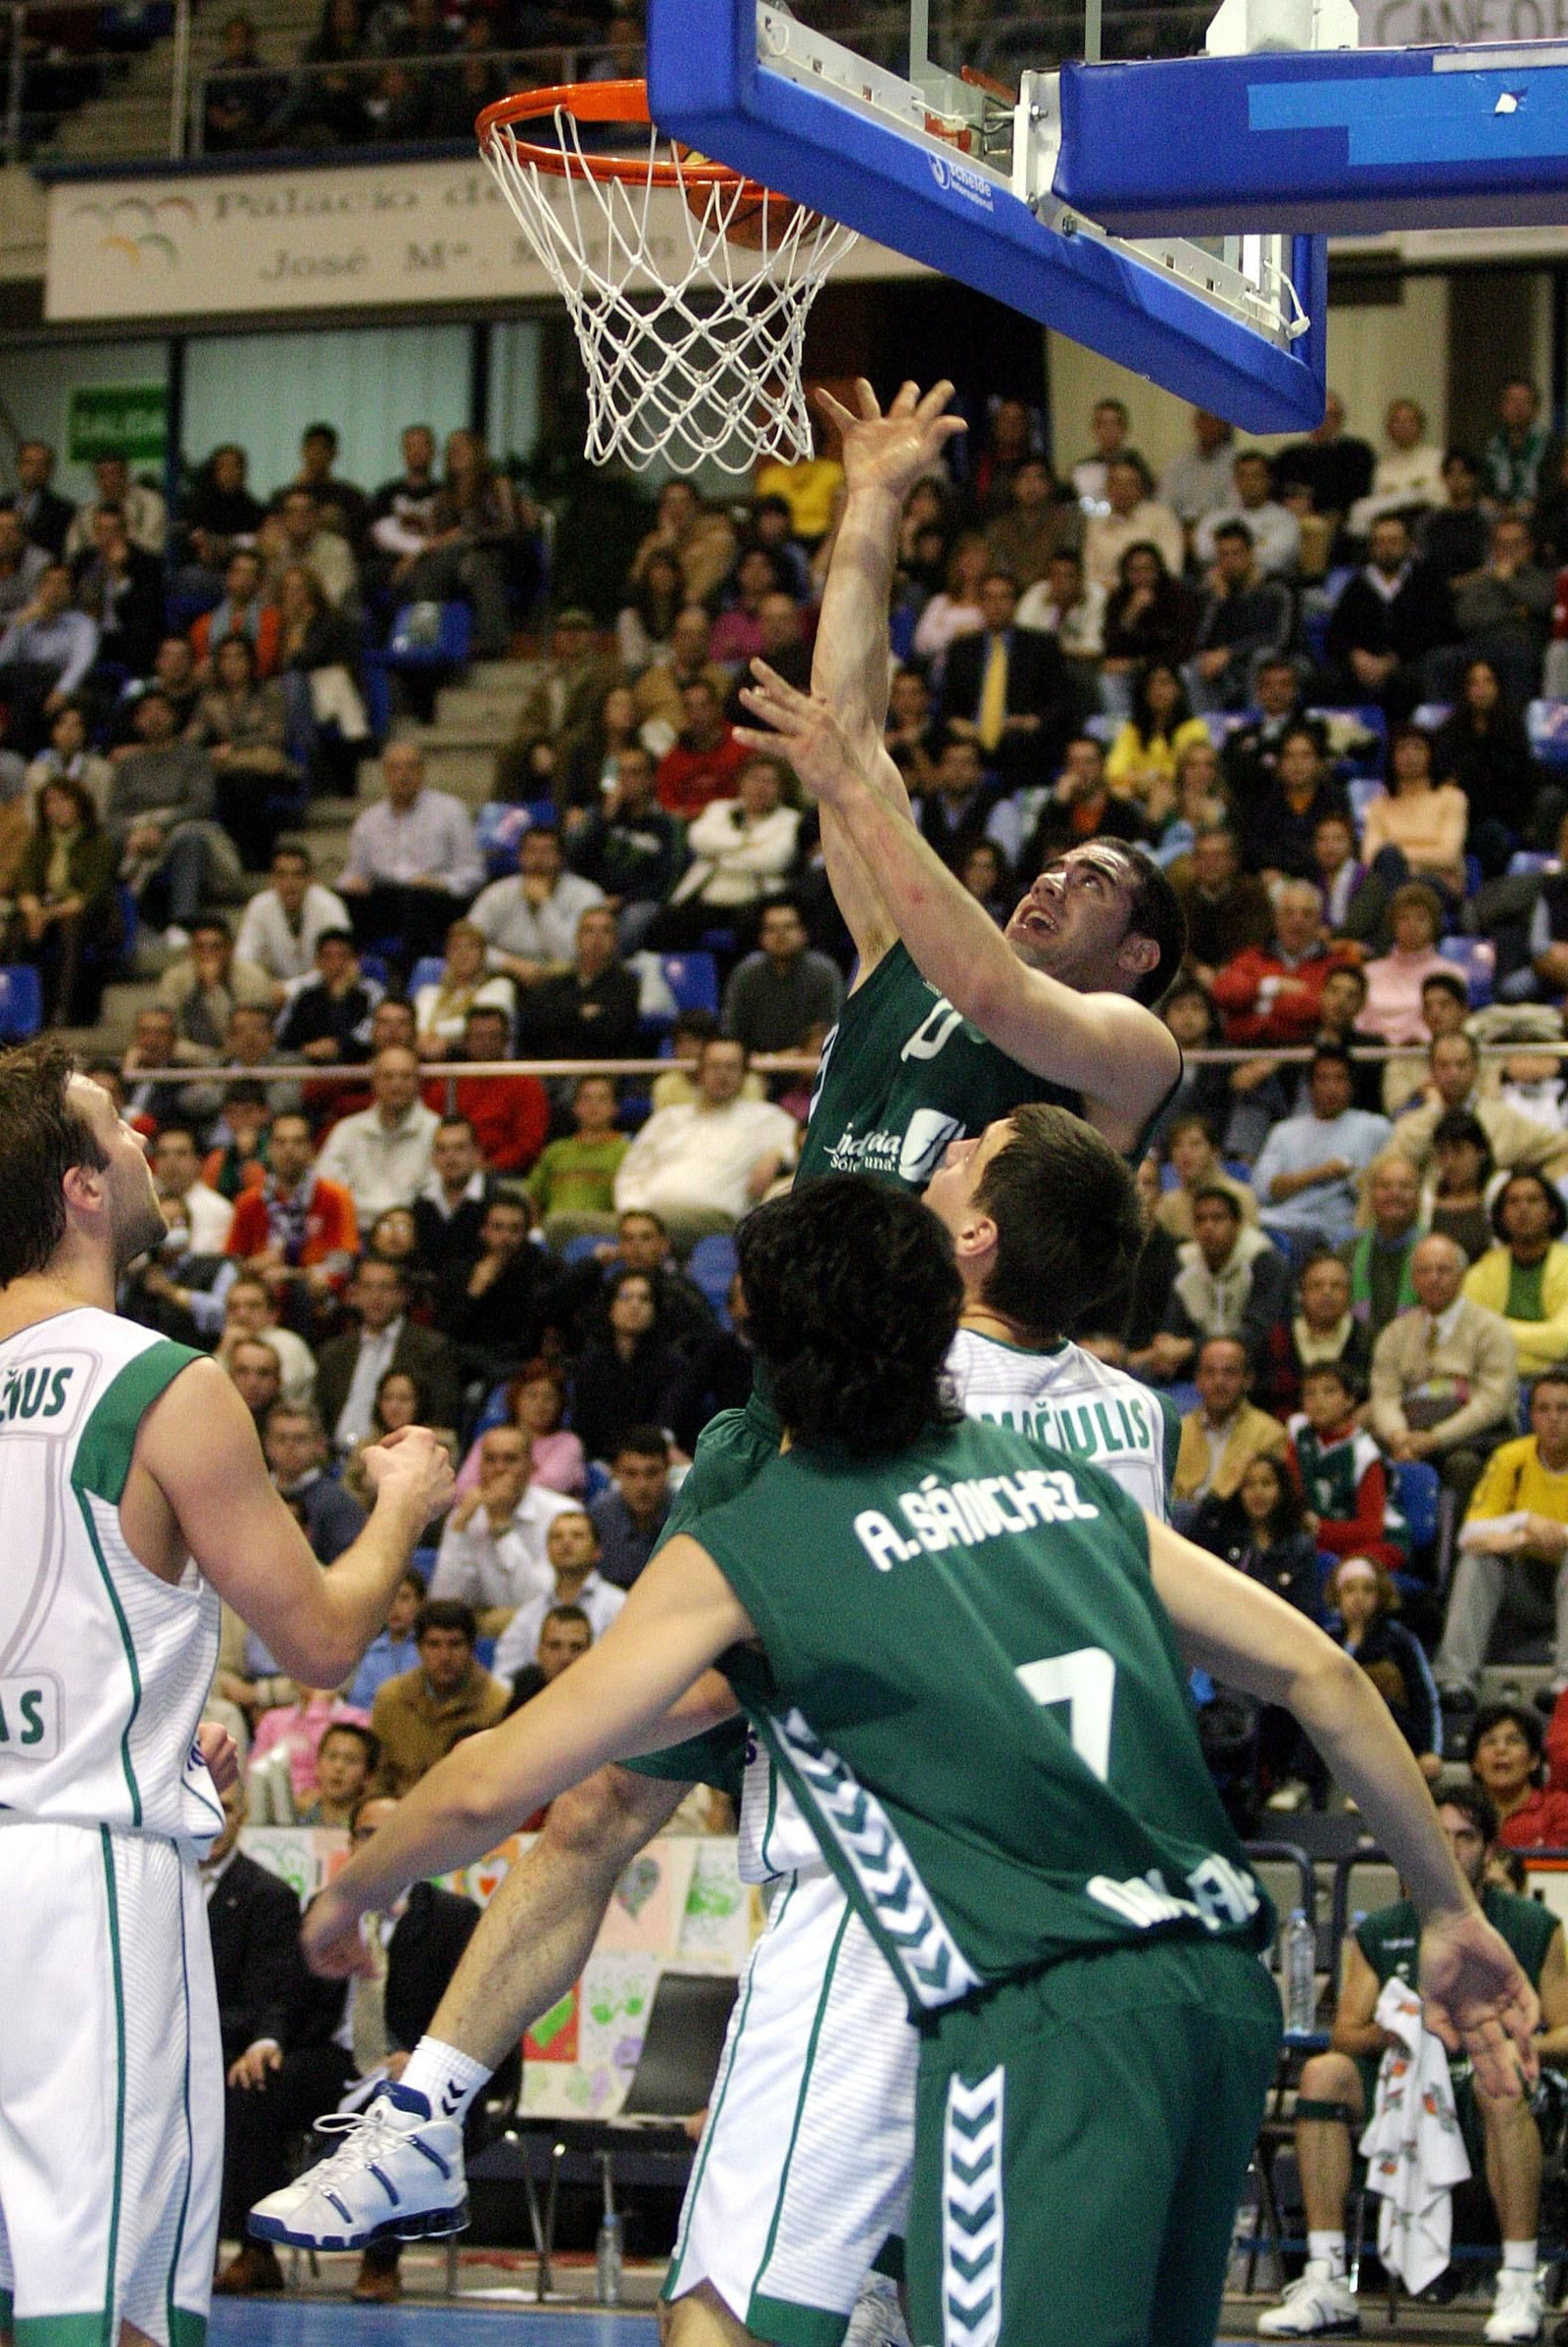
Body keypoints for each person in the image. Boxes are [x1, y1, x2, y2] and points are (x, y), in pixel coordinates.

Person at [277, 1172, 1537, 2347]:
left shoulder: (763, 1539)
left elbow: (495, 1781)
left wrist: (350, 1889)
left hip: (1027, 1992)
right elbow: (1322, 1672)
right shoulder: (1068, 1482)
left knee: (724, 2311)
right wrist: (1448, 1907)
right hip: (1210, 1987)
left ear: (757, 1339)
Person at [0, 1037, 452, 2345]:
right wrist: (404, 1505)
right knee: (107, 2293)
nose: (147, 1146)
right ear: (83, 1187)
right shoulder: (162, 1381)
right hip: (85, 1872)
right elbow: (319, 1639)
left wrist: (135, 1688)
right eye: (122, 1129)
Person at [1257, 1783, 1567, 2343]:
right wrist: (1406, 2024)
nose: (1450, 1851)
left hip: (1498, 2090)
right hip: (1406, 2085)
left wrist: (1508, 2040)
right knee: (1323, 2072)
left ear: (1490, 1852)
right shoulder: (1382, 1930)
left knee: (1499, 2082)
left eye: (1465, 1838)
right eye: (1438, 1838)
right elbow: (1347, 2033)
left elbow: (1567, 2032)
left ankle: (1519, 2281)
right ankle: (1326, 2276)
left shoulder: (1531, 1926)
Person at [1438, 1369, 1568, 1705]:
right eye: (1544, 1409)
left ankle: (1566, 1683)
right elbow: (1469, 1535)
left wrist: (1554, 1535)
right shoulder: (1511, 1457)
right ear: (1530, 1415)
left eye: (1564, 1409)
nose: (1554, 1419)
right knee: (1477, 1558)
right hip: (1523, 1585)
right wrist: (1525, 1527)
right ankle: (1455, 1680)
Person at [1369, 1233, 1519, 1513]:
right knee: (1364, 1454)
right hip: (1410, 1432)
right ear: (1413, 1280)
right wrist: (1399, 1436)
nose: (1433, 1278)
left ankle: (1450, 1554)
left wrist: (1437, 1438)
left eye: (1443, 1270)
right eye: (1424, 1271)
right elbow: (1385, 1395)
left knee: (1463, 1466)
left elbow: (1493, 1402)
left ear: (1462, 1276)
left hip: (1472, 1436)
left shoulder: (1491, 1328)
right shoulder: (1394, 1333)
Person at [613, 1035, 798, 1250]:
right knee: (571, 1226)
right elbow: (631, 1173)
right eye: (715, 1066)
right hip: (643, 1218)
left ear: (744, 1075)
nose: (723, 1074)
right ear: (699, 1073)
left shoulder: (768, 1119)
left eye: (731, 1067)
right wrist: (632, 1213)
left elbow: (803, 1149)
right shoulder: (669, 1118)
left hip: (716, 1221)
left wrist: (778, 1156)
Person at [336, 741, 484, 970]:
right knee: (344, 901)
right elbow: (354, 873)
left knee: (416, 901)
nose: (403, 776)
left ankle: (412, 977)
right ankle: (355, 977)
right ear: (385, 774)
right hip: (387, 899)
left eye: (411, 767)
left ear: (423, 772)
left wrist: (440, 883)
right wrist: (349, 883)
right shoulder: (368, 820)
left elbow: (474, 872)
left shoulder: (451, 811)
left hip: (434, 900)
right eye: (395, 768)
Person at [427, 1422, 578, 1635]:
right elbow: (443, 1607)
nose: (499, 1469)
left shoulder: (562, 1513)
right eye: (490, 1460)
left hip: (545, 1636)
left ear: (530, 1466)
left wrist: (502, 1526)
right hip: (476, 1637)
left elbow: (543, 1604)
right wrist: (459, 1527)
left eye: (510, 1459)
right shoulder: (467, 1514)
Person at [1250, 1045, 1392, 1252]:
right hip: (1280, 1223)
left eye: (1339, 1079)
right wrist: (1321, 1173)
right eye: (1323, 1079)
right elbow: (1263, 1190)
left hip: (1335, 1230)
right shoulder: (1285, 1132)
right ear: (1310, 1086)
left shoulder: (1374, 1128)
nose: (1331, 1088)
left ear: (1351, 1085)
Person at [317, 1253, 460, 1452]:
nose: (376, 1296)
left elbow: (441, 1416)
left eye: (385, 1288)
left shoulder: (431, 1348)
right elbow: (321, 1415)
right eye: (367, 1287)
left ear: (403, 1294)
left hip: (400, 1455)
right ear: (354, 1294)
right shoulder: (334, 1352)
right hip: (334, 1459)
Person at [367, 1599, 511, 1795]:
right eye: (434, 1644)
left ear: (472, 1647)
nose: (445, 1656)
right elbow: (375, 1779)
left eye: (455, 1644)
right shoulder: (390, 1699)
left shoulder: (497, 1702)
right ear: (418, 1648)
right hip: (399, 1814)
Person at [1149, 1185, 1290, 1383]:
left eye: (1217, 1218)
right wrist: (1167, 1349)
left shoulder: (1263, 1260)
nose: (1208, 1227)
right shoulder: (1185, 1261)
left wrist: (1189, 1348)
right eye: (1200, 1220)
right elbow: (1173, 1328)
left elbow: (1257, 1334)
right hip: (1198, 1372)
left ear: (1238, 1224)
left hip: (1257, 1375)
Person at [1290, 1362, 1407, 1575]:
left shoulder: (1364, 1453)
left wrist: (1318, 1528)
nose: (1318, 1401)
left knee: (1353, 1571)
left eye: (1329, 1391)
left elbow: (1371, 1530)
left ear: (1349, 1400)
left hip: (1376, 1540)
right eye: (1309, 1393)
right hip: (1317, 1537)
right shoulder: (1298, 1432)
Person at [492, 1507, 627, 1684]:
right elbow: (503, 1677)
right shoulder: (529, 1613)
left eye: (577, 1536)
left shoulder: (620, 1606)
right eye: (557, 1537)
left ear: (597, 1551)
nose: (566, 1542)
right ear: (547, 1551)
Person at [316, 1045, 440, 1226]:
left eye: (405, 1076)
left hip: (416, 1231)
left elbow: (438, 1193)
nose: (396, 1083)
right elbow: (325, 1185)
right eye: (388, 1076)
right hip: (354, 1230)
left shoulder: (437, 1130)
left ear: (418, 1082)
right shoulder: (346, 1130)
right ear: (374, 1081)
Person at [1462, 1170, 1568, 1379]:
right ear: (1501, 1216)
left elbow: (1562, 1342)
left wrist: (1496, 1331)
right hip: (1492, 1382)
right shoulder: (1481, 1272)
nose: (1523, 1208)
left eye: (1533, 1200)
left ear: (1552, 1213)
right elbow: (1468, 1335)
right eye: (1513, 1201)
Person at [1171, 1333, 1290, 1517]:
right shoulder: (1177, 1431)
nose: (1219, 1381)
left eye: (1230, 1372)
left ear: (1248, 1380)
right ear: (1198, 1381)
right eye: (1210, 1372)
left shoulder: (1270, 1433)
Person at [1469, 1702, 1568, 1851]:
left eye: (1513, 1741)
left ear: (1534, 1760)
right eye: (1489, 1742)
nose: (1500, 1749)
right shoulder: (1461, 1814)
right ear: (1475, 1763)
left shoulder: (1559, 1809)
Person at [590, 1425, 673, 1589]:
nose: (642, 1485)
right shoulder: (598, 1517)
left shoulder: (689, 1515)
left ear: (668, 1469)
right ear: (616, 1472)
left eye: (652, 1473)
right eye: (631, 1473)